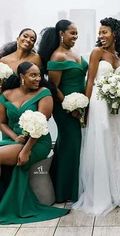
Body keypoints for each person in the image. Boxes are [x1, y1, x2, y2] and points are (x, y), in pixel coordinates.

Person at [73, 17, 120, 215]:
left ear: (115, 34)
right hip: (99, 104)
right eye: (99, 32)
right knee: (102, 142)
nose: (101, 35)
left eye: (105, 32)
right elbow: (90, 80)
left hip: (119, 107)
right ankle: (105, 192)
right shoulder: (97, 53)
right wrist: (85, 108)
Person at [0, 62, 69, 224]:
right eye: (33, 75)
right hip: (12, 140)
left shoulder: (44, 93)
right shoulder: (6, 94)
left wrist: (26, 150)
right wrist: (14, 136)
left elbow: (41, 124)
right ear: (22, 77)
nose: (38, 78)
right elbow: (1, 122)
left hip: (37, 142)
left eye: (39, 75)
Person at [38, 19, 88, 203]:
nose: (75, 36)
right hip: (65, 108)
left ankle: (69, 188)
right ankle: (64, 192)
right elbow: (53, 86)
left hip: (79, 106)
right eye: (72, 33)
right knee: (71, 145)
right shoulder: (57, 56)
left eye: (76, 33)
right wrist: (70, 106)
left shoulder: (74, 53)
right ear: (61, 34)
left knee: (72, 146)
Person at [0, 28, 42, 199]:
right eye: (25, 36)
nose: (28, 40)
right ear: (17, 38)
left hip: (26, 104)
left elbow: (37, 81)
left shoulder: (35, 59)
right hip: (7, 103)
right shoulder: (3, 60)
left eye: (33, 39)